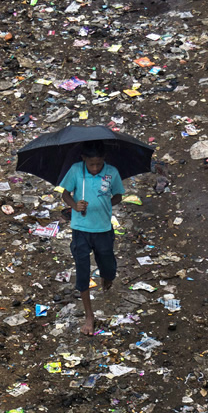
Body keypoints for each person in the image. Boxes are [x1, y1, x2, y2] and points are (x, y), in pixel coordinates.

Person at [59, 141, 124, 335]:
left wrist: (106, 204)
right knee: (82, 270)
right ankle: (89, 315)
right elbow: (65, 194)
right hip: (80, 228)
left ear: (104, 160)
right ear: (84, 159)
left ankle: (108, 276)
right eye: (91, 164)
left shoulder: (111, 172)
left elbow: (119, 195)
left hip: (103, 227)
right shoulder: (76, 171)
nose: (95, 168)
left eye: (98, 164)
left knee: (107, 264)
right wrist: (75, 205)